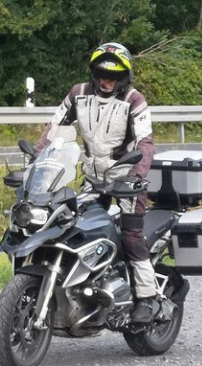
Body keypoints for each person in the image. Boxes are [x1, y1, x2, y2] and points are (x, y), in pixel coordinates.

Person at [34, 42, 158, 323]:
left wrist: (136, 178)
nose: (106, 81)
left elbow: (144, 142)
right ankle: (89, 288)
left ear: (124, 77)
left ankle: (148, 298)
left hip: (127, 180)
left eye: (113, 77)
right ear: (94, 73)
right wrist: (36, 163)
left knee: (131, 235)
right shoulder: (78, 94)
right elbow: (54, 130)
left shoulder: (134, 100)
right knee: (75, 226)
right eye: (102, 74)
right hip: (94, 179)